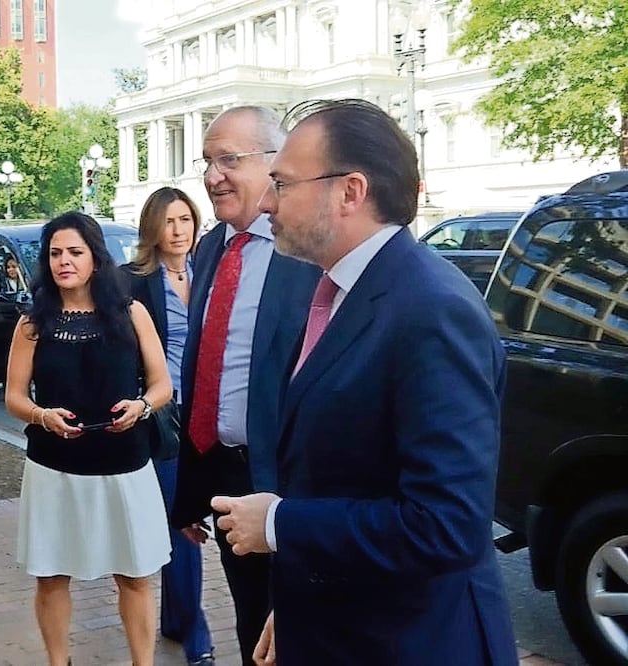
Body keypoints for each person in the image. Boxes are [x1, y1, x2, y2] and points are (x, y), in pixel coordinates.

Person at [214, 98, 518, 665]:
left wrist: (280, 524)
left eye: (282, 183)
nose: (265, 202)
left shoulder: (429, 309)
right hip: (348, 625)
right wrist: (300, 601)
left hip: (410, 641)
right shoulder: (343, 292)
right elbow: (345, 475)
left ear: (350, 192)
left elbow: (445, 525)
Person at [170, 106, 320, 665]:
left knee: (301, 634)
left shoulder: (306, 252)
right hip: (226, 478)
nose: (212, 177)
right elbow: (202, 369)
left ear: (274, 162)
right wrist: (191, 493)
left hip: (290, 489)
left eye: (229, 159)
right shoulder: (211, 248)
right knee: (252, 625)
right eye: (207, 161)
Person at [5, 212, 174, 666]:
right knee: (51, 575)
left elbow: (162, 385)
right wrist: (42, 416)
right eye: (55, 253)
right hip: (54, 468)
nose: (64, 261)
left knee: (136, 574)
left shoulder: (130, 312)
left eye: (75, 252)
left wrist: (141, 407)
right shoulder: (32, 322)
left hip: (124, 465)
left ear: (96, 259)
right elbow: (14, 397)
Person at [121, 187, 214, 666]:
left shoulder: (212, 273)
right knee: (184, 519)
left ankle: (178, 619)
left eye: (186, 220)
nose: (179, 231)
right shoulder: (132, 282)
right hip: (165, 417)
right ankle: (194, 625)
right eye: (169, 221)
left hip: (213, 415)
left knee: (193, 516)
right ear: (152, 228)